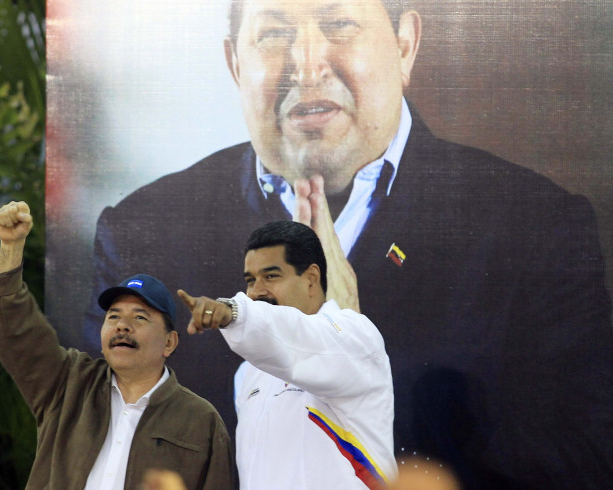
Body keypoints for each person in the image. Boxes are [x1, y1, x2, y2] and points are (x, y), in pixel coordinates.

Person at [85, 1, 613, 487]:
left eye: (338, 24)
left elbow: (585, 459)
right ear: (234, 64)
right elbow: (109, 442)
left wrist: (353, 363)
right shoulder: (142, 231)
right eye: (274, 34)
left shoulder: (536, 225)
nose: (306, 63)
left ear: (404, 43)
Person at [0, 201, 236, 490]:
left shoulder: (200, 420)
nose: (122, 326)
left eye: (140, 317)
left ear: (169, 342)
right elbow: (14, 330)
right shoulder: (68, 384)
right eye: (113, 316)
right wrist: (11, 247)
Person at [179, 220, 396, 489]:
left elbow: (300, 337)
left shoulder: (356, 337)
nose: (256, 291)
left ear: (311, 279)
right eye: (250, 280)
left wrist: (234, 312)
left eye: (271, 276)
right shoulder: (248, 372)